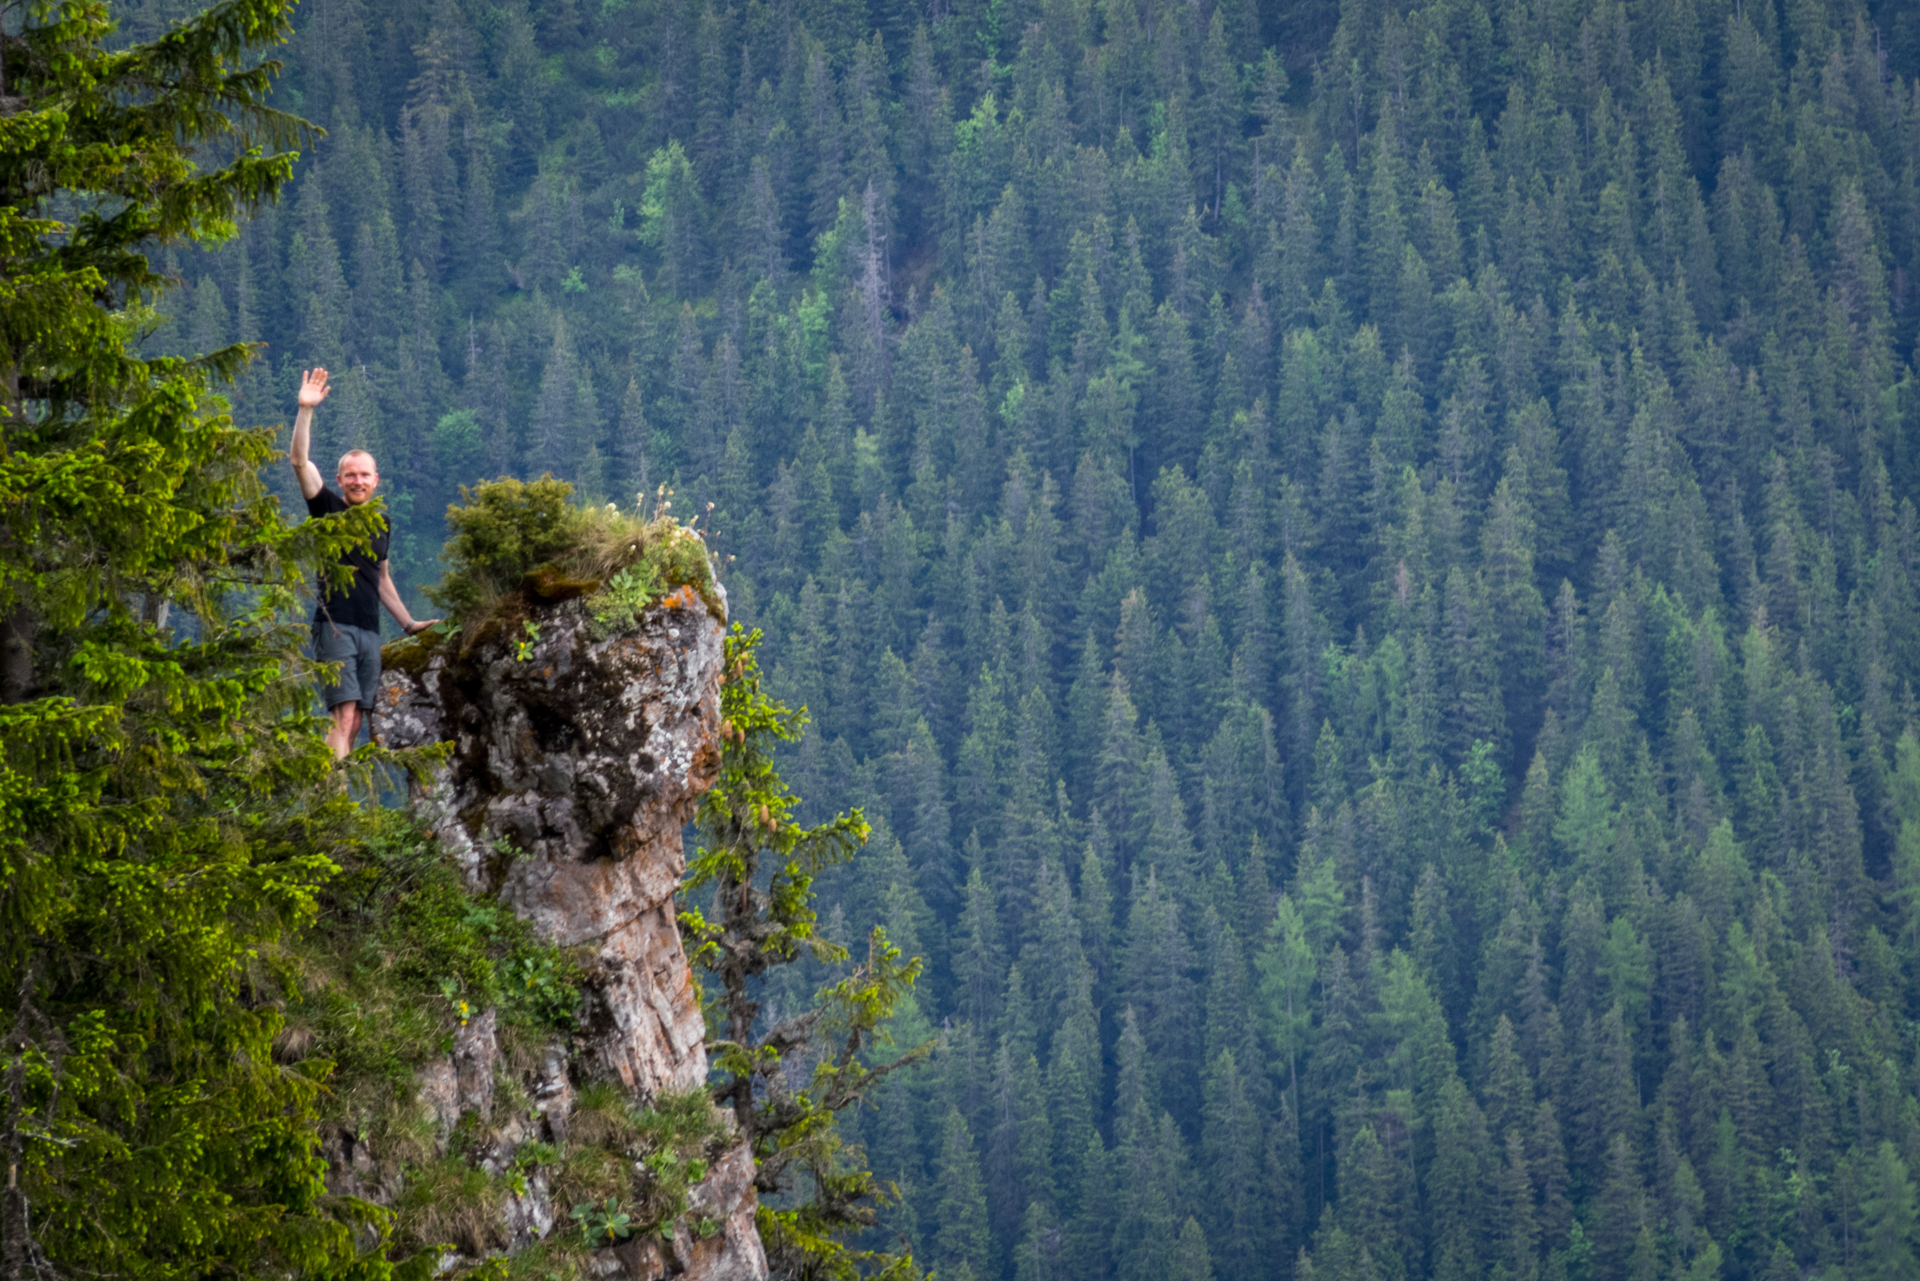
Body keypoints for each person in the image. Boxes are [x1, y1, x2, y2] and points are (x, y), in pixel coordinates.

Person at [290, 367, 439, 758]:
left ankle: (334, 789)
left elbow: (381, 578)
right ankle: (333, 805)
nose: (358, 481)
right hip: (335, 626)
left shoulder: (382, 523)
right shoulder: (326, 508)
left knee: (355, 720)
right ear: (339, 480)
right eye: (350, 475)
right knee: (343, 714)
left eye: (364, 475)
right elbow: (299, 462)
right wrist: (306, 410)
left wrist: (407, 623)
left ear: (376, 481)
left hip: (370, 630)